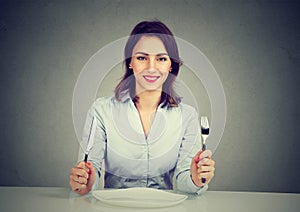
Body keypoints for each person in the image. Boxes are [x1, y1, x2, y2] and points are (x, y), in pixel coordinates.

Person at [70, 20, 215, 195]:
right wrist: (85, 182)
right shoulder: (101, 111)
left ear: (171, 65)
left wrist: (195, 177)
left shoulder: (188, 116)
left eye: (161, 59)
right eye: (142, 58)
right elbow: (90, 172)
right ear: (130, 62)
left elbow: (186, 182)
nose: (151, 68)